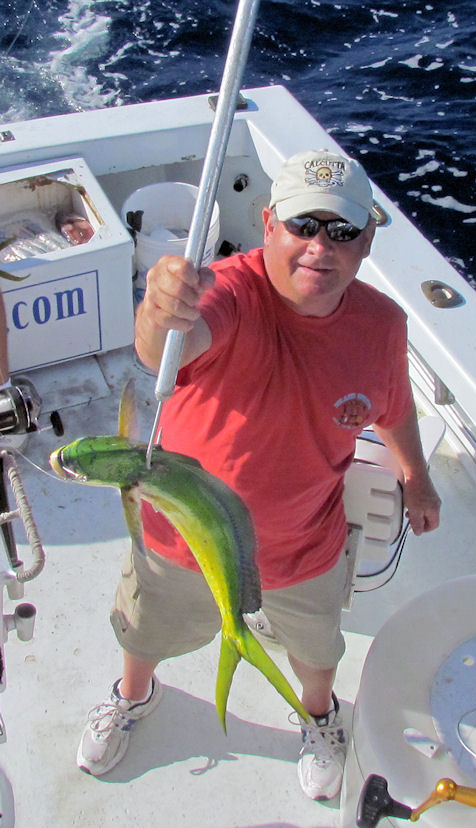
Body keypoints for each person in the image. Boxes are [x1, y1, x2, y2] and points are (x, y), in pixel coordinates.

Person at [77, 149, 441, 800]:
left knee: (318, 648)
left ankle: (319, 716)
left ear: (366, 241)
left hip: (305, 546)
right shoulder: (229, 291)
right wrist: (161, 308)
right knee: (147, 629)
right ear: (269, 224)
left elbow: (395, 403)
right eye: (303, 225)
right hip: (181, 538)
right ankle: (133, 697)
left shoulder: (381, 325)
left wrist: (416, 472)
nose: (319, 248)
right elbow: (164, 349)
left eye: (342, 230)